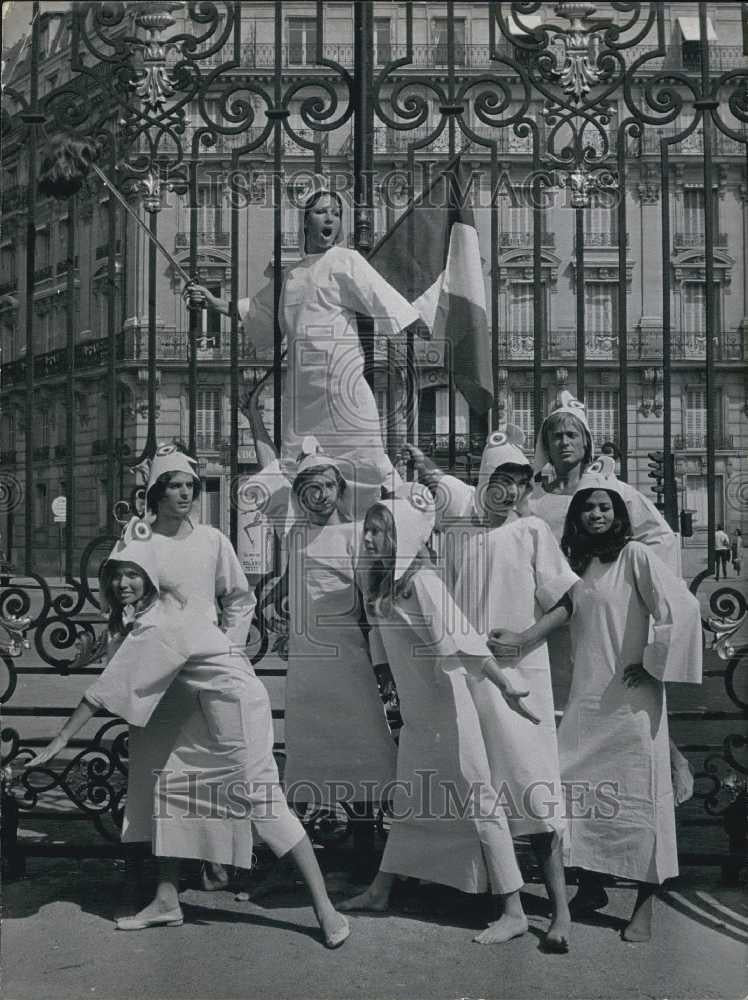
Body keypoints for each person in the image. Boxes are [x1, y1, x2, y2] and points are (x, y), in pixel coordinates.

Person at [27, 524, 350, 947]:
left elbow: (105, 690)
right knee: (173, 790)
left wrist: (61, 738)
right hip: (207, 707)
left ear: (149, 578)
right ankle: (166, 900)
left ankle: (325, 909)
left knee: (262, 801)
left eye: (132, 574)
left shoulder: (158, 623)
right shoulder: (153, 612)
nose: (123, 583)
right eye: (116, 575)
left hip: (236, 708)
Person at [341, 483, 543, 946]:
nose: (368, 538)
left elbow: (465, 642)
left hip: (448, 708)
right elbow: (380, 641)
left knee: (479, 798)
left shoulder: (424, 583)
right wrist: (387, 681)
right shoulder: (380, 583)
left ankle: (514, 910)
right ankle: (381, 889)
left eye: (378, 531)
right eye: (368, 529)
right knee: (411, 798)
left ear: (402, 537)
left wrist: (506, 685)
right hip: (419, 713)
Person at [190, 176, 429, 501]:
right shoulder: (291, 275)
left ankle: (392, 515)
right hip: (302, 391)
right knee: (299, 469)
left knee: (367, 460)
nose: (330, 218)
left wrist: (421, 325)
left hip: (343, 385)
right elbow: (258, 311)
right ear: (305, 222)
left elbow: (380, 296)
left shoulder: (346, 260)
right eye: (321, 212)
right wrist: (214, 303)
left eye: (336, 213)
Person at [557, 460, 702, 941]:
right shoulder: (577, 564)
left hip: (631, 700)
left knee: (640, 796)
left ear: (618, 514)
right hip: (587, 699)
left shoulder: (635, 555)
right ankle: (591, 885)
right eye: (588, 508)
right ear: (576, 516)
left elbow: (680, 606)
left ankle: (645, 903)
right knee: (577, 791)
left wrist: (654, 664)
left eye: (605, 507)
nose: (596, 514)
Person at [447, 430, 579, 952]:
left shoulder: (532, 531)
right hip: (470, 680)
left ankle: (561, 911)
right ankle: (510, 908)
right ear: (485, 481)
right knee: (483, 791)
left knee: (533, 788)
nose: (512, 489)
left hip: (523, 680)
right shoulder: (458, 537)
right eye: (503, 479)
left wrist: (524, 637)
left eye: (521, 481)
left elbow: (567, 603)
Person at [239, 438, 396, 870]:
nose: (320, 494)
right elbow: (293, 580)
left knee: (359, 743)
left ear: (340, 489)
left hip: (348, 657)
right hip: (307, 662)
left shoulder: (356, 535)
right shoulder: (296, 535)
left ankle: (364, 843)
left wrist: (380, 661)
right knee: (315, 747)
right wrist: (273, 601)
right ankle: (308, 848)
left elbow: (370, 602)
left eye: (328, 486)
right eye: (311, 487)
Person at [127, 445, 254, 891]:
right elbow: (123, 595)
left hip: (207, 670)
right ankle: (155, 869)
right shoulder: (139, 540)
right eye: (174, 486)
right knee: (157, 769)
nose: (184, 494)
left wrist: (228, 650)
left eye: (190, 486)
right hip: (157, 672)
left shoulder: (213, 540)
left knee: (208, 769)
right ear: (157, 493)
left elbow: (240, 598)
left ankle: (212, 859)